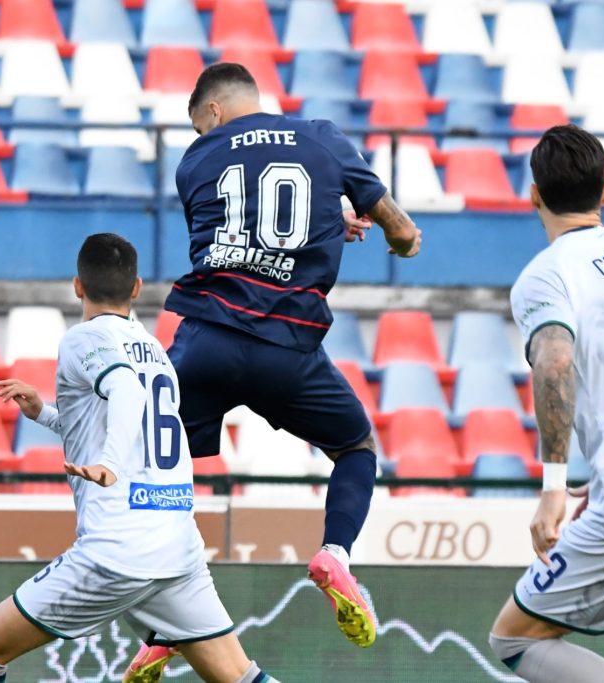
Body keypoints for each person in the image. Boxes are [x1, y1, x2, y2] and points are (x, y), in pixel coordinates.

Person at [123, 62, 423, 678]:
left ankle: (166, 625)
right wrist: (388, 236)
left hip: (207, 338)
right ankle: (335, 554)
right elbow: (400, 231)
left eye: (199, 124)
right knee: (356, 448)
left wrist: (324, 216)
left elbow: (237, 229)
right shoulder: (324, 138)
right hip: (289, 347)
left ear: (211, 112)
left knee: (156, 470)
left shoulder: (194, 161)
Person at [0, 233, 282, 683]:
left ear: (77, 286)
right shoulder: (154, 350)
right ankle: (161, 635)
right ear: (136, 288)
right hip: (177, 548)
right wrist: (44, 414)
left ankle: (154, 635)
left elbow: (126, 392)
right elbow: (124, 422)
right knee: (240, 676)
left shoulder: (83, 338)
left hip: (117, 551)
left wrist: (109, 464)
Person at [488, 124, 604, 682]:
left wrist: (554, 487)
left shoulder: (548, 274)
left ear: (533, 195)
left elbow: (554, 363)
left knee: (514, 637)